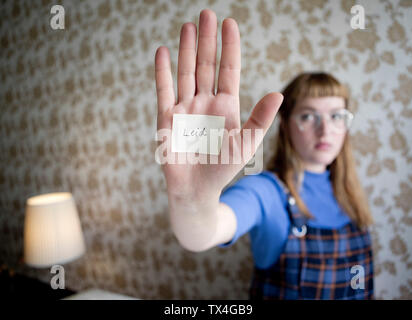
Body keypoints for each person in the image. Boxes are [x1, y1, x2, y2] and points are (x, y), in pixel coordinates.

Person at [154, 9, 374, 300]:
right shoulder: (265, 191)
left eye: (336, 116)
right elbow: (200, 235)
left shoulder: (350, 194)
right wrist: (192, 198)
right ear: (285, 125)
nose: (326, 131)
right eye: (309, 116)